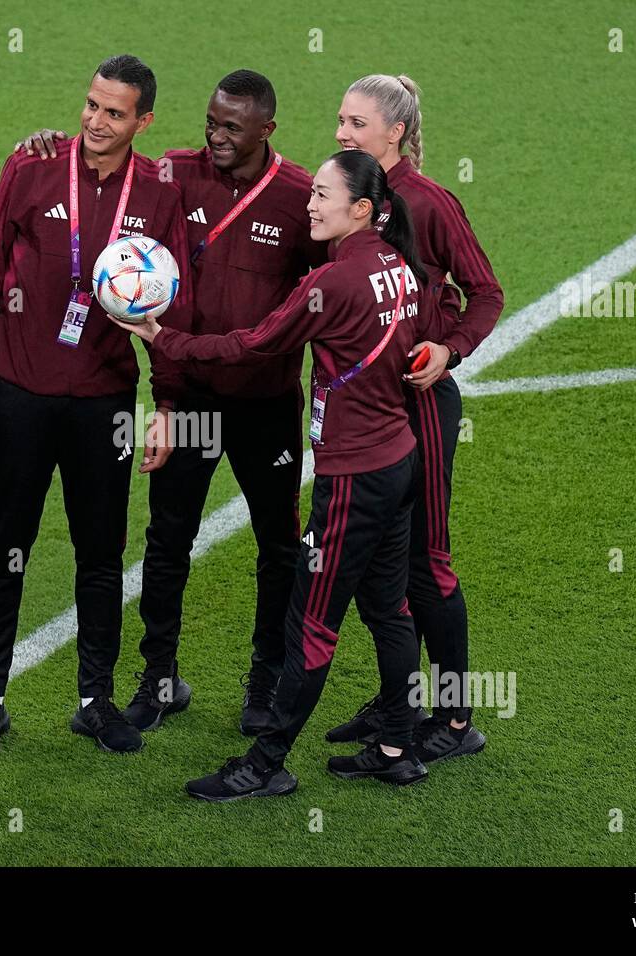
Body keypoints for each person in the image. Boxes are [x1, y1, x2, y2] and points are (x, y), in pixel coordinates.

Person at [112, 150, 431, 799]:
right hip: (398, 458)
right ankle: (398, 744)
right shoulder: (398, 269)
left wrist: (159, 336)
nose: (308, 206)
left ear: (362, 209)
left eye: (322, 196)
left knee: (312, 621)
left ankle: (265, 762)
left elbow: (253, 344)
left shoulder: (331, 283)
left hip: (353, 474)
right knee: (388, 609)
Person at [15, 70, 325, 736]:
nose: (215, 135)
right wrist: (49, 146)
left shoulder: (299, 197)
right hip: (187, 398)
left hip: (266, 404)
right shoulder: (173, 175)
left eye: (231, 127)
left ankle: (265, 680)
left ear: (266, 129)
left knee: (278, 546)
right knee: (167, 542)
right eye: (211, 121)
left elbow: (334, 278)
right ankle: (159, 681)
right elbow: (105, 159)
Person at [0, 55, 193, 757]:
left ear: (142, 122)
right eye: (90, 104)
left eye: (114, 113)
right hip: (17, 391)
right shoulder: (29, 166)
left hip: (103, 400)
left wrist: (169, 400)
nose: (95, 121)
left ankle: (95, 699)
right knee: (4, 549)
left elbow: (167, 309)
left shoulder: (158, 192)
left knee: (100, 551)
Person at [326, 75, 503, 764]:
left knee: (426, 564)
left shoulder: (427, 204)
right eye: (340, 119)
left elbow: (484, 291)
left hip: (420, 405)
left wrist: (449, 349)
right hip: (365, 409)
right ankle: (399, 704)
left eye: (357, 122)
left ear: (394, 133)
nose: (343, 132)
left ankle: (456, 720)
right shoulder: (346, 196)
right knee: (378, 565)